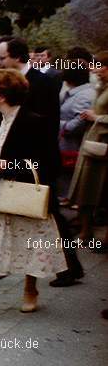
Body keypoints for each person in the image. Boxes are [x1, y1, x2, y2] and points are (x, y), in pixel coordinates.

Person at [0, 69, 67, 323]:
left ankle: (30, 289)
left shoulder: (35, 121)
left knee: (30, 242)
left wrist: (8, 166)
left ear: (4, 93)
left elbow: (48, 162)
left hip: (24, 193)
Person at [0, 36, 84, 287]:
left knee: (49, 213)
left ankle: (68, 267)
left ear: (17, 57)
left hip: (38, 160)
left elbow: (48, 124)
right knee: (12, 213)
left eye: (2, 58)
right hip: (14, 160)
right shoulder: (4, 82)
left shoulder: (43, 82)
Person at [67, 51, 108, 245]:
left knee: (99, 189)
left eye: (100, 66)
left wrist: (96, 117)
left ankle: (95, 235)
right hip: (92, 141)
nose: (96, 70)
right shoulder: (101, 87)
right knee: (86, 188)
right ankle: (85, 231)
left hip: (102, 144)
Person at [58, 60, 96, 202]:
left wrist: (59, 125)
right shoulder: (78, 92)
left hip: (71, 145)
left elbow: (77, 123)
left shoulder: (84, 95)